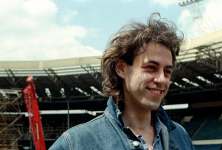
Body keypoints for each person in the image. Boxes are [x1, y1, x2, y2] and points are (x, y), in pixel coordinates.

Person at [49, 13, 194, 150]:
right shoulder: (77, 142)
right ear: (121, 69)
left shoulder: (180, 136)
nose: (162, 79)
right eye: (151, 68)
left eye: (167, 71)